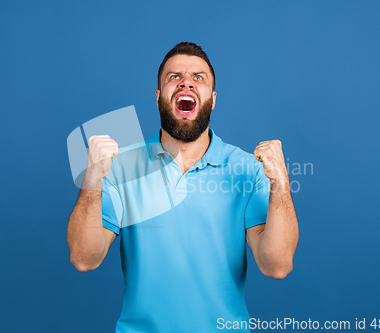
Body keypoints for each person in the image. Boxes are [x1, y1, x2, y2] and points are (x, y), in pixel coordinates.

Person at [67, 42, 299, 332]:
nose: (186, 82)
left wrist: (281, 184)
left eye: (198, 77)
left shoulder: (248, 169)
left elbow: (276, 265)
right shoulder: (122, 167)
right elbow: (84, 258)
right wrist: (91, 180)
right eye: (174, 77)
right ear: (158, 97)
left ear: (212, 100)